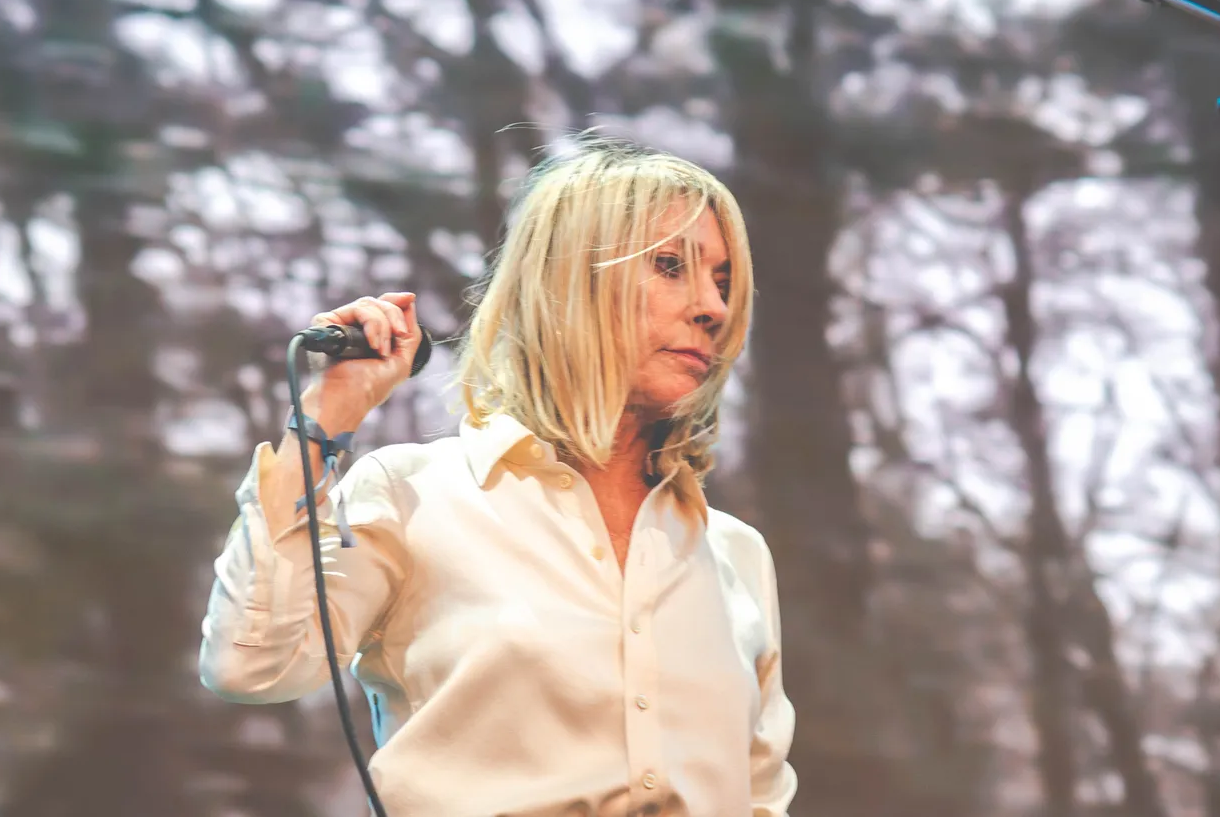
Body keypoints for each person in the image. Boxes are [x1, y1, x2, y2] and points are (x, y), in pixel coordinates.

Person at [198, 140, 797, 816]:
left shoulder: (735, 554)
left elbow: (761, 795)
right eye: (669, 266)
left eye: (721, 281)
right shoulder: (413, 496)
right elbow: (251, 665)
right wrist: (324, 414)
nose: (712, 308)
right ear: (567, 282)